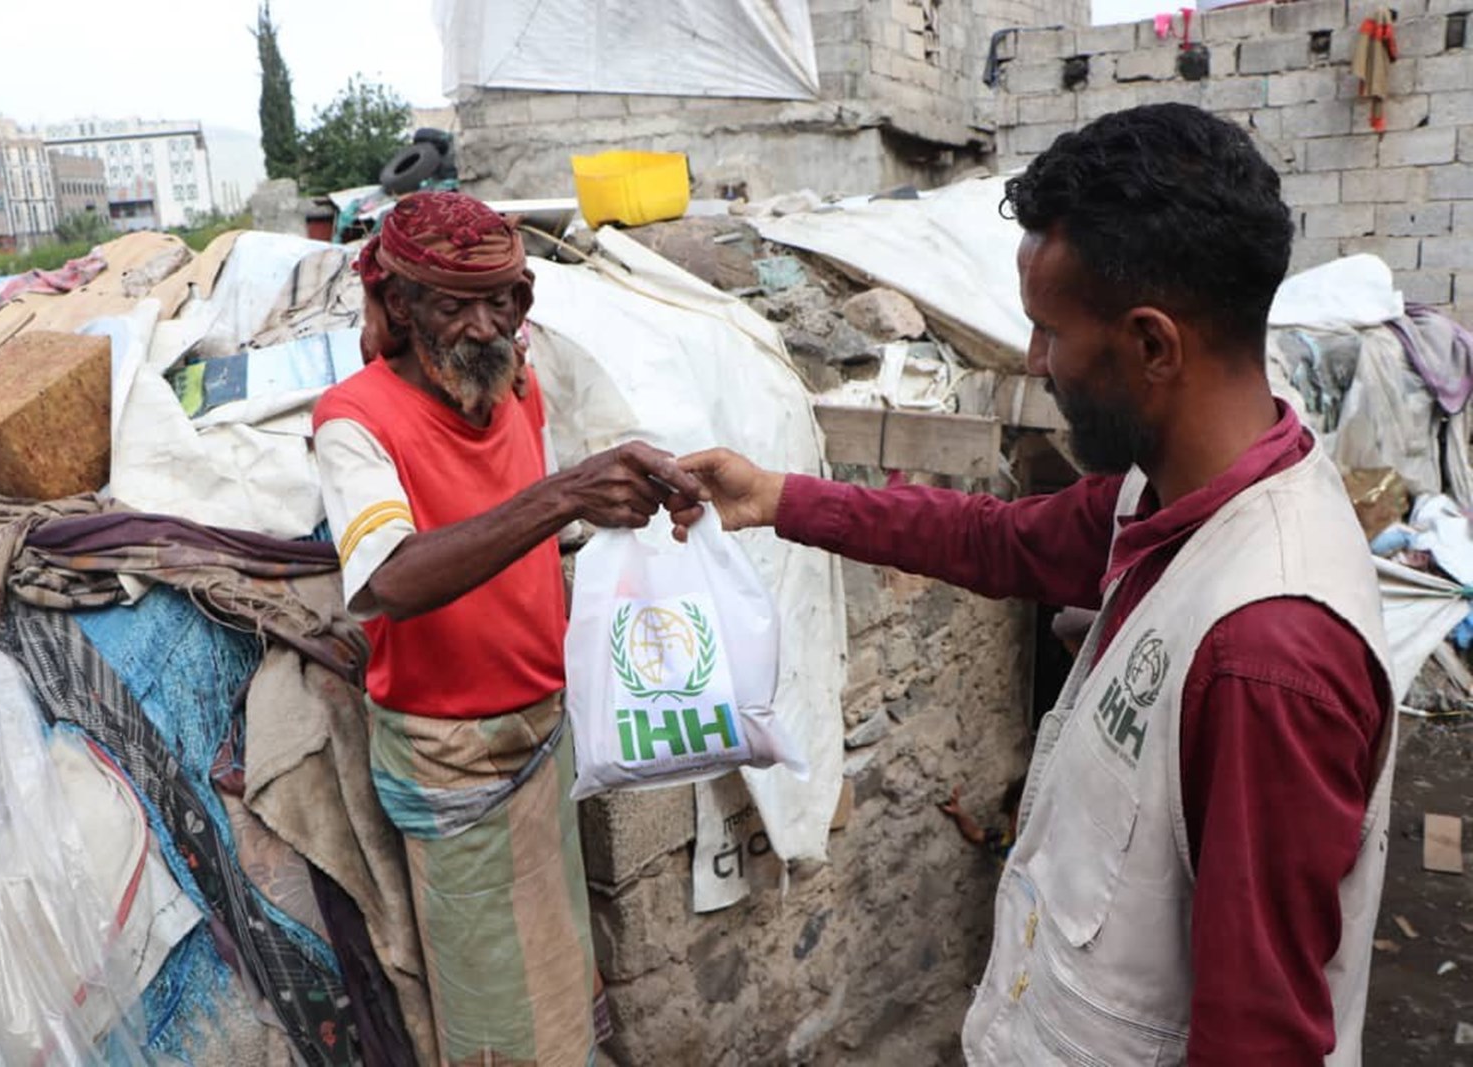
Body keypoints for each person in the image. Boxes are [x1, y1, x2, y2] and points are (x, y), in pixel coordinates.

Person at [668, 104, 1394, 1066]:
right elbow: (1002, 541)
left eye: (1049, 333)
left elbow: (1260, 1036)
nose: (1036, 364)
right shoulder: (1174, 489)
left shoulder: (1265, 655)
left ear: (1153, 346)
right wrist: (780, 498)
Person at [312, 191, 701, 1067]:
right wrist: (563, 495)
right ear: (401, 305)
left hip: (540, 742)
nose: (488, 327)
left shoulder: (520, 379)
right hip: (454, 762)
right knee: (498, 1025)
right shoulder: (355, 419)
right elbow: (392, 578)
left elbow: (581, 470)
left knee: (557, 982)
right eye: (456, 305)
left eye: (507, 301)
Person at [941, 776, 1025, 865]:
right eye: (1014, 818)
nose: (1014, 825)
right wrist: (958, 812)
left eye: (1023, 821)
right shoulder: (1005, 842)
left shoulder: (1035, 862)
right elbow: (976, 833)